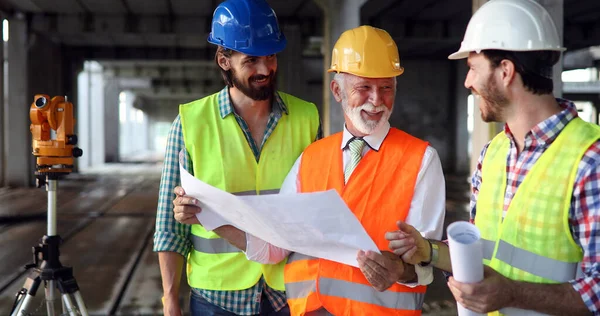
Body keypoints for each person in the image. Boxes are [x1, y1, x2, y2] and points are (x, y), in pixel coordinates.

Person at [173, 25, 447, 315]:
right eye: (364, 88)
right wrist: (211, 217)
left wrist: (400, 270)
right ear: (337, 90)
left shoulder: (420, 160)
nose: (376, 100)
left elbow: (427, 261)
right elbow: (275, 243)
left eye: (386, 88)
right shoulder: (311, 157)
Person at [387, 0, 600, 315]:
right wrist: (428, 251)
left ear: (505, 71)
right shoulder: (494, 153)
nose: (468, 82)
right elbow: (484, 255)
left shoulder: (590, 160)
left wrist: (512, 294)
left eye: (473, 68)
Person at [153, 0, 322, 315]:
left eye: (270, 56)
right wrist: (170, 300)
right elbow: (168, 226)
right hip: (216, 297)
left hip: (290, 289)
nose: (264, 69)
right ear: (224, 60)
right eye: (252, 60)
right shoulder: (190, 123)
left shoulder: (307, 118)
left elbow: (321, 209)